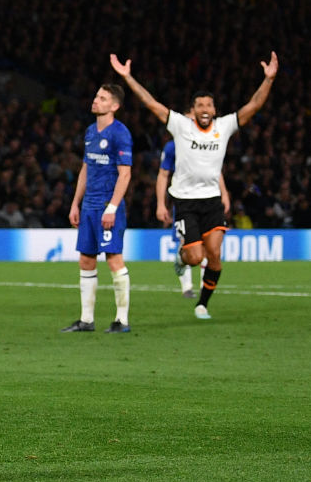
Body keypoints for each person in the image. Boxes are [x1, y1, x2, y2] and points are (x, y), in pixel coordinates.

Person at [111, 51, 278, 319]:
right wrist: (127, 77)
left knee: (214, 255)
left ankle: (202, 304)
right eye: (199, 105)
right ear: (193, 110)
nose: (204, 109)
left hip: (211, 201)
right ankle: (182, 255)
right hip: (186, 202)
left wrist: (268, 79)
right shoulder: (181, 126)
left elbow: (253, 106)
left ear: (214, 110)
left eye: (209, 105)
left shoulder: (223, 127)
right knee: (194, 258)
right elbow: (151, 103)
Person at [61, 84, 133, 334]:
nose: (95, 101)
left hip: (106, 205)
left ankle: (121, 320)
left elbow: (125, 174)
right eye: (96, 96)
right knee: (86, 259)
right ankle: (86, 320)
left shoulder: (120, 133)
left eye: (102, 98)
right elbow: (85, 169)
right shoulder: (91, 131)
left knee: (113, 259)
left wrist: (112, 207)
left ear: (114, 106)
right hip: (89, 205)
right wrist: (75, 203)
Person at [155, 137, 230, 298]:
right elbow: (163, 174)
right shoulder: (173, 146)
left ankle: (204, 286)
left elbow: (215, 171)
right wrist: (161, 204)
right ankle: (187, 287)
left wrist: (223, 193)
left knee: (208, 246)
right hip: (185, 202)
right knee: (189, 245)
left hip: (208, 201)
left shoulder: (206, 141)